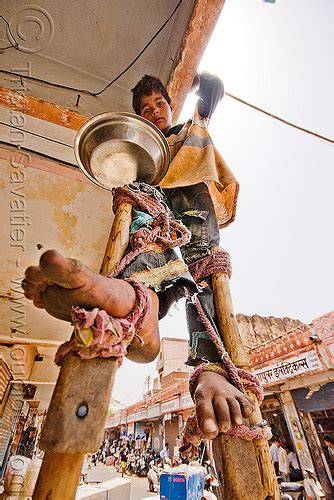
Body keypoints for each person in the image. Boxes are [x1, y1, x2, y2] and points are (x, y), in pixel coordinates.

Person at [22, 73, 254, 445]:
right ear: (141, 118)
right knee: (146, 235)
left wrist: (198, 82)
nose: (155, 112)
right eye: (146, 109)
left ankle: (209, 366)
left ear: (169, 106)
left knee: (203, 269)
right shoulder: (144, 152)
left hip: (192, 203)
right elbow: (143, 214)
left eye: (159, 104)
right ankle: (139, 307)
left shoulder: (186, 131)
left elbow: (212, 93)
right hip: (155, 203)